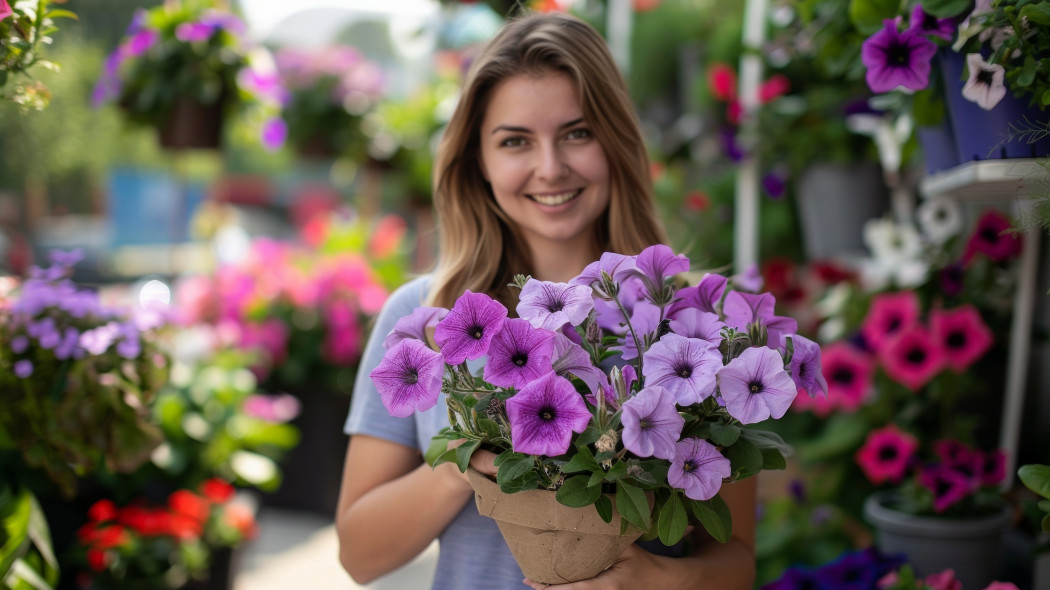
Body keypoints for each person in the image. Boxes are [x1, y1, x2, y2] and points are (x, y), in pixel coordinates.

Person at [336, 11, 756, 590]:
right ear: (477, 162)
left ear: (616, 142)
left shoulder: (690, 321)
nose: (551, 168)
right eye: (515, 141)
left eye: (577, 133)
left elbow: (737, 562)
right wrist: (463, 463)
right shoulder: (427, 317)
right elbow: (359, 555)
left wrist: (655, 580)